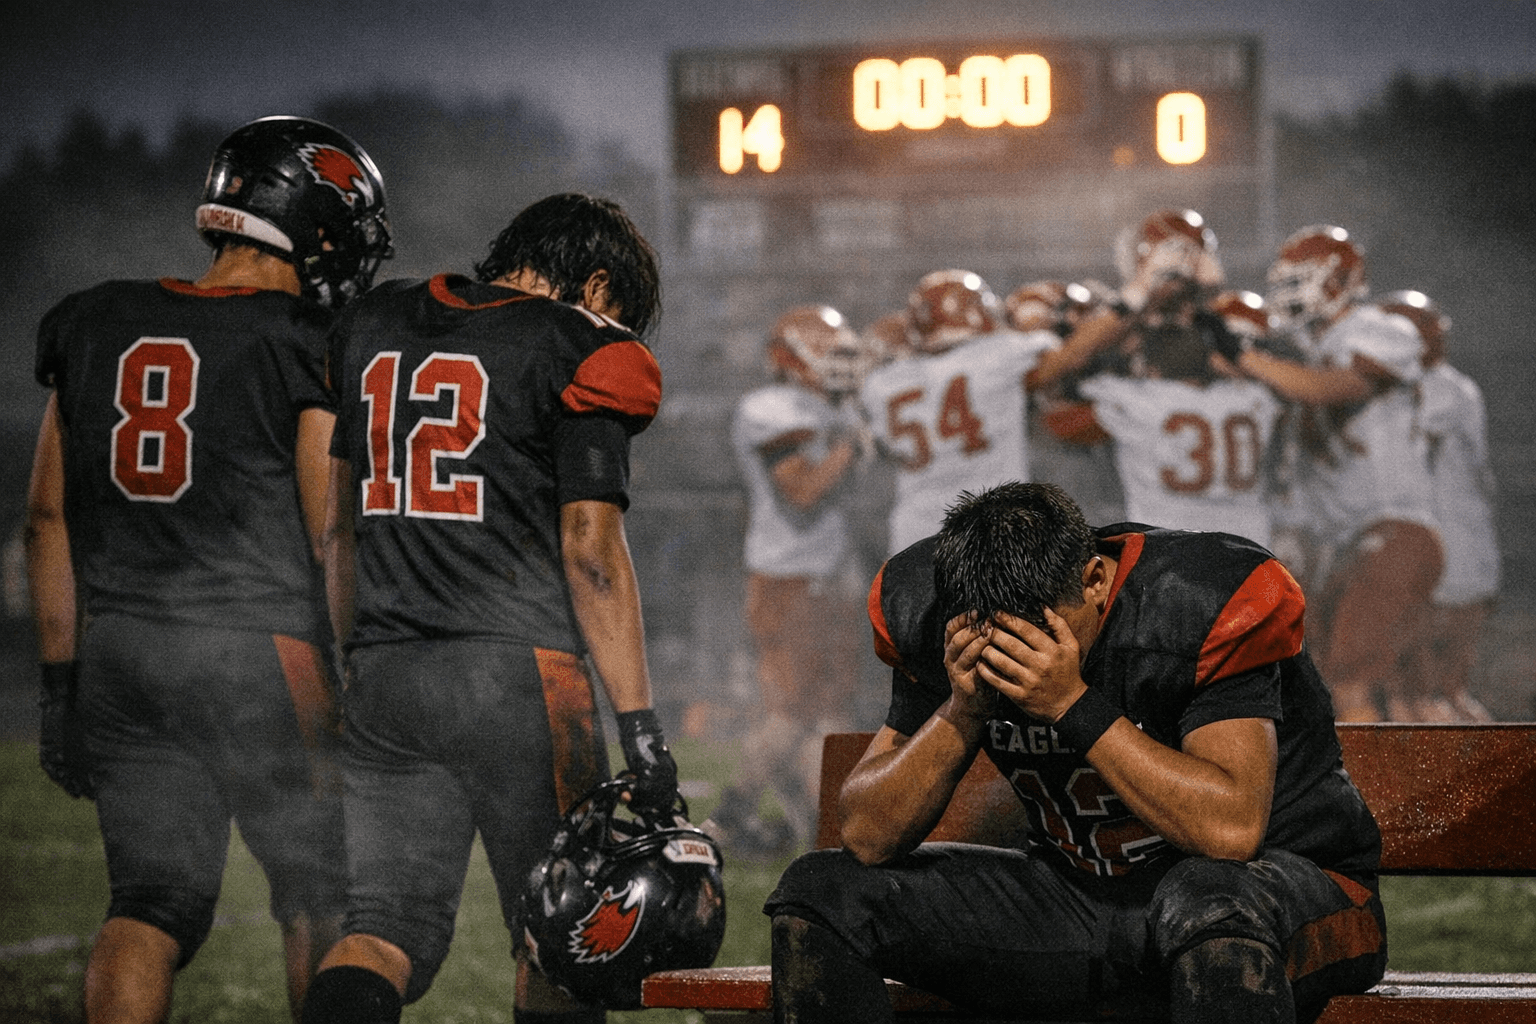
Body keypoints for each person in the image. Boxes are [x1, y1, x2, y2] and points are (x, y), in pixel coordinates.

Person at [765, 481, 1385, 1024]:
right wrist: (964, 708)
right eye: (996, 636)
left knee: (1208, 899)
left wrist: (1072, 704)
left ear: (1093, 581)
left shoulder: (1199, 599)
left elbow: (1230, 831)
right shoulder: (937, 615)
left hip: (1282, 894)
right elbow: (869, 834)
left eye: (1037, 629)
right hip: (1084, 897)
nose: (1016, 652)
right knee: (822, 892)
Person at [25, 115, 394, 1024]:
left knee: (149, 903)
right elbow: (330, 533)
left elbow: (44, 518)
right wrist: (359, 663)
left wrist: (61, 678)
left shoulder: (93, 319)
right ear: (314, 216)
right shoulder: (304, 338)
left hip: (120, 651)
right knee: (320, 892)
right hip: (264, 652)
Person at [303, 193, 677, 1024]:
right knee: (565, 928)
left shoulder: (375, 325)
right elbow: (591, 554)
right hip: (520, 675)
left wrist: (353, 659)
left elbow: (338, 533)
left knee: (384, 926)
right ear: (598, 282)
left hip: (388, 666)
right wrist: (640, 722)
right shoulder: (584, 343)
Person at [1236, 225, 1442, 721]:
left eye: (1301, 280)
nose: (1288, 294)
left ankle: (1366, 799)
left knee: (1350, 682)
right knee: (1354, 685)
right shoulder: (1309, 349)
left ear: (1342, 279)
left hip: (1394, 528)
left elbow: (1330, 388)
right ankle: (1415, 792)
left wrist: (1245, 358)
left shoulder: (1380, 330)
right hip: (1348, 539)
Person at [708, 305, 871, 858]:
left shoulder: (828, 407)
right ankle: (727, 818)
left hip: (825, 576)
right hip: (788, 580)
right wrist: (852, 441)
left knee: (831, 711)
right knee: (793, 712)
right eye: (826, 351)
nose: (839, 364)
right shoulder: (769, 407)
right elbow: (802, 489)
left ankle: (825, 834)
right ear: (787, 358)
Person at [858, 269, 1126, 555]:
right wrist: (1133, 299)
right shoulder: (998, 356)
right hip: (990, 528)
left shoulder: (882, 384)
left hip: (915, 535)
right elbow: (1072, 355)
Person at [1075, 289, 1281, 547]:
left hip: (1169, 554)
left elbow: (1071, 380)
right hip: (1251, 549)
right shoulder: (1256, 398)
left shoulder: (1138, 400)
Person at [1382, 291, 1500, 722]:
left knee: (1440, 678)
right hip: (1445, 528)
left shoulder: (1445, 389)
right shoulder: (1444, 386)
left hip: (1451, 528)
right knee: (1417, 681)